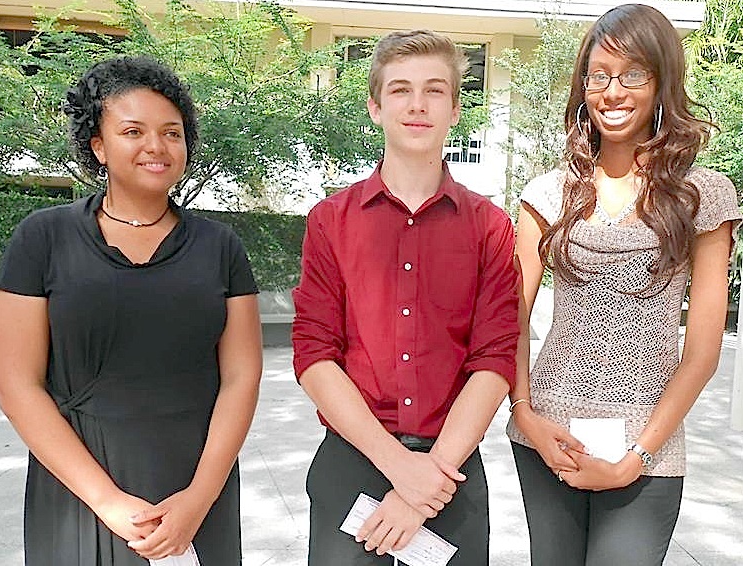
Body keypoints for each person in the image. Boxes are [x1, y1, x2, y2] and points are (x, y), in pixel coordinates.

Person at [0, 56, 262, 565]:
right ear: (98, 145)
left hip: (196, 481)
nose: (156, 147)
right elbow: (15, 382)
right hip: (79, 487)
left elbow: (242, 376)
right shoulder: (43, 238)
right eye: (133, 131)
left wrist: (199, 498)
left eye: (172, 132)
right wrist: (107, 501)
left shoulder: (219, 246)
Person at [506, 4, 742, 566]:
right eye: (599, 76)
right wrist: (526, 416)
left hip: (648, 448)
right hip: (548, 436)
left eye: (633, 74)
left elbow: (703, 351)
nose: (613, 92)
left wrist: (638, 453)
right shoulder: (546, 193)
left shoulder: (703, 195)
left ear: (661, 82)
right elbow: (506, 320)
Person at [292, 29, 520, 565]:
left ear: (456, 109)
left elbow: (494, 360)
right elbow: (314, 356)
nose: (417, 105)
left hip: (452, 466)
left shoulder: (489, 228)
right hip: (355, 457)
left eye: (434, 90)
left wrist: (429, 478)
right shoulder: (332, 222)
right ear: (375, 106)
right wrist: (402, 470)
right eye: (399, 90)